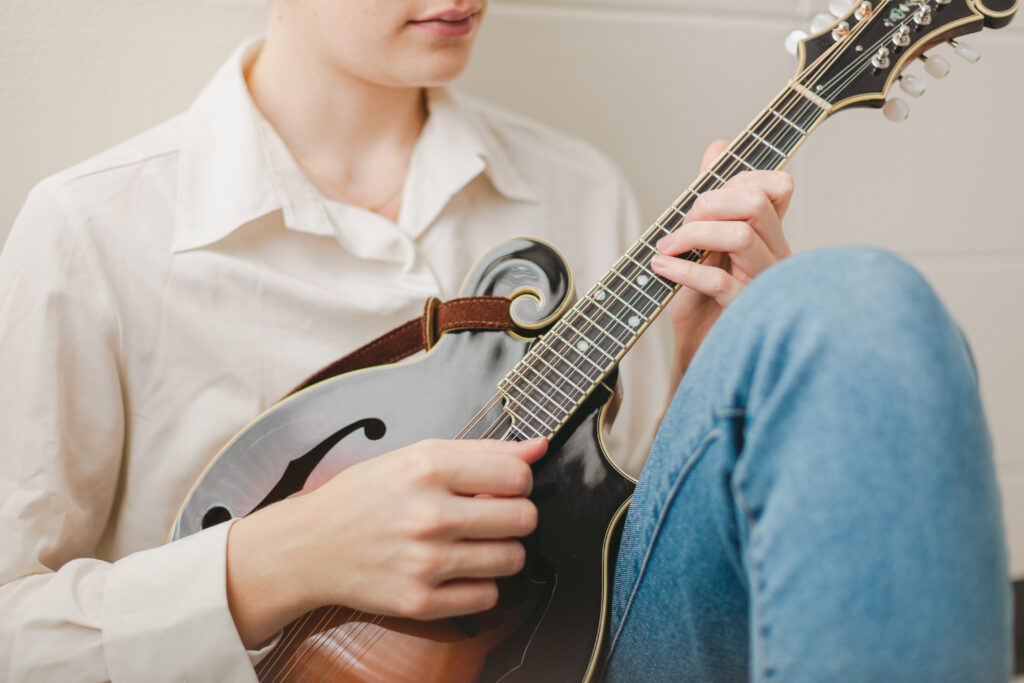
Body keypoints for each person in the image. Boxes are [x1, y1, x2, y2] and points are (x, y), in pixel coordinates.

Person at [0, 0, 1010, 681]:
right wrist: (281, 557)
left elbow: (631, 547)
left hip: (579, 652)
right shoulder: (96, 227)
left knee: (852, 299)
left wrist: (726, 367)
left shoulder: (580, 188)